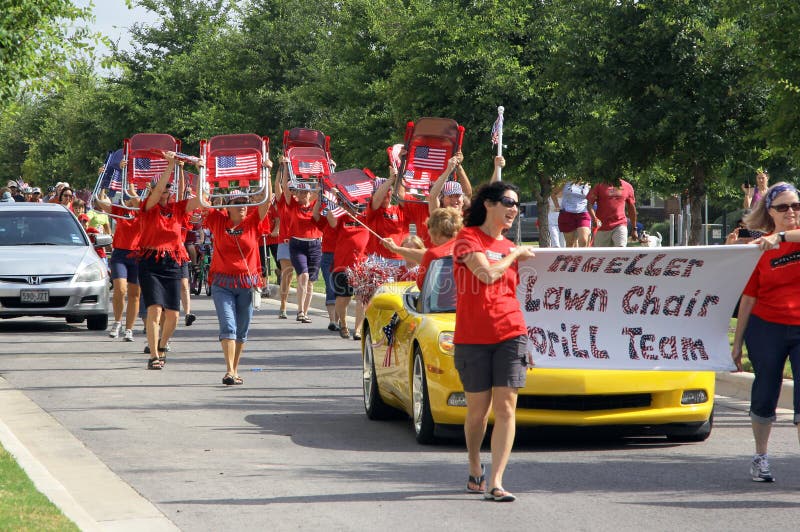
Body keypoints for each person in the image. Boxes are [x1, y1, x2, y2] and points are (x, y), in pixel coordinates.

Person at [452, 181, 535, 503]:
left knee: (506, 407)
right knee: (477, 413)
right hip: (472, 337)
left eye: (518, 205)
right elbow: (485, 275)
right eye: (508, 202)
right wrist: (514, 252)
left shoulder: (512, 248)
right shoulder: (466, 239)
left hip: (511, 333)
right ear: (488, 203)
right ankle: (475, 466)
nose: (514, 209)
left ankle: (496, 481)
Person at [731, 182, 800, 482]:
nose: (791, 212)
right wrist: (736, 344)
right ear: (769, 212)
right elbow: (748, 298)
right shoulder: (759, 249)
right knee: (764, 391)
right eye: (783, 207)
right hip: (766, 326)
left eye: (796, 206)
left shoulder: (789, 238)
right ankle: (761, 456)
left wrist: (781, 237)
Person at [136, 152, 203, 370]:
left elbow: (202, 198)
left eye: (167, 189)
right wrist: (171, 165)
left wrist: (202, 170)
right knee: (154, 310)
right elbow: (156, 191)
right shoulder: (148, 206)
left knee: (173, 314)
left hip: (173, 262)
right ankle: (153, 355)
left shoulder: (177, 208)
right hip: (151, 262)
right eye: (162, 188)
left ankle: (162, 345)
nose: (165, 192)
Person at [205, 182, 272, 385]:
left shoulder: (252, 222)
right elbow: (202, 202)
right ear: (228, 206)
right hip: (222, 283)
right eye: (238, 202)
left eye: (245, 202)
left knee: (242, 330)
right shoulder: (217, 220)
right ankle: (229, 371)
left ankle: (235, 368)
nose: (243, 206)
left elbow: (266, 201)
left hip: (247, 284)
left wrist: (267, 173)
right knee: (228, 326)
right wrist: (202, 176)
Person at [95, 186, 141, 341]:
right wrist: (103, 184)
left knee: (135, 294)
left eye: (133, 198)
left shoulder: (144, 213)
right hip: (120, 254)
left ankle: (129, 329)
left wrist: (134, 192)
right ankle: (117, 322)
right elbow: (101, 203)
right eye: (128, 198)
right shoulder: (121, 212)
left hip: (137, 255)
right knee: (120, 289)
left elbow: (141, 204)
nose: (130, 201)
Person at [279, 157, 322, 323]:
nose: (303, 195)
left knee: (310, 280)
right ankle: (299, 311)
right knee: (302, 276)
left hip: (315, 244)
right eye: (301, 192)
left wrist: (329, 169)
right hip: (297, 244)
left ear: (310, 195)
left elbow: (321, 188)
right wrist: (285, 168)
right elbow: (284, 188)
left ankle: (305, 311)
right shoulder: (292, 205)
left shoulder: (315, 205)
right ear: (296, 194)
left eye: (306, 192)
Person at [587, 178, 637, 247]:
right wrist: (594, 218)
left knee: (620, 251)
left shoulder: (627, 186)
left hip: (620, 224)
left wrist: (634, 228)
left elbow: (631, 208)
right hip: (602, 227)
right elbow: (589, 204)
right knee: (602, 256)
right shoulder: (598, 185)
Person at [556, 180, 591, 247]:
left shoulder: (588, 182)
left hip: (583, 213)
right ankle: (572, 257)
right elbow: (553, 193)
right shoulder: (565, 182)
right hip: (567, 214)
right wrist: (557, 206)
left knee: (584, 240)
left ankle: (583, 257)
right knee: (570, 243)